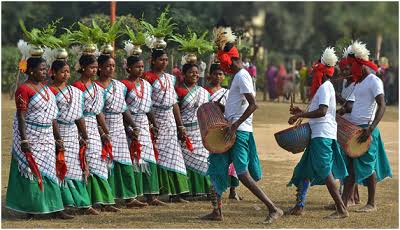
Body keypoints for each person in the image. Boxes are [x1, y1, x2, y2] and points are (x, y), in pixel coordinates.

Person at [203, 34, 283, 223]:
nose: (224, 70)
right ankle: (217, 212)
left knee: (242, 173)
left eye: (225, 66)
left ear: (231, 61)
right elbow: (239, 104)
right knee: (217, 167)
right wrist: (225, 111)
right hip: (232, 130)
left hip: (239, 132)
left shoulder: (242, 75)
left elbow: (253, 104)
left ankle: (273, 208)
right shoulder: (239, 76)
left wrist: (235, 125)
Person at [6, 56, 73, 219]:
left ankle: (56, 209)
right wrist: (24, 140)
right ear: (31, 71)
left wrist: (58, 139)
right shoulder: (23, 89)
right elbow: (21, 116)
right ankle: (33, 209)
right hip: (31, 135)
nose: (45, 72)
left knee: (50, 170)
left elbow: (52, 117)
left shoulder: (46, 89)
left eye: (46, 69)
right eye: (42, 69)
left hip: (47, 136)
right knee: (31, 171)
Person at [287, 47, 349, 219]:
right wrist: (300, 111)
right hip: (319, 134)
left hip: (322, 134)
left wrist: (300, 115)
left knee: (324, 170)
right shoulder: (325, 87)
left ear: (321, 71)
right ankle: (299, 206)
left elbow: (322, 112)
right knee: (304, 170)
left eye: (315, 70)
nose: (313, 73)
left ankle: (342, 209)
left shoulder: (324, 88)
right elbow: (320, 111)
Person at [341, 41, 392, 212]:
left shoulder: (373, 81)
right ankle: (343, 204)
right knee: (350, 168)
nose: (349, 68)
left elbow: (382, 105)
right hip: (353, 129)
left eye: (351, 65)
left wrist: (370, 129)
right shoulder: (358, 82)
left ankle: (371, 203)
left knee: (368, 167)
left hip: (366, 130)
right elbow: (357, 105)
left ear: (359, 64)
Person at [94, 54, 148, 208]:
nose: (111, 69)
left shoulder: (119, 86)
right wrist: (103, 132)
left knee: (125, 162)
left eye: (113, 66)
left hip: (119, 127)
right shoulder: (96, 87)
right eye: (107, 66)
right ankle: (107, 200)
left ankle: (130, 198)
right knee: (107, 164)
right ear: (100, 68)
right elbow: (97, 112)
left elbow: (124, 109)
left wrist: (133, 126)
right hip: (103, 127)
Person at [48, 58, 99, 215]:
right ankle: (64, 203)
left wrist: (84, 134)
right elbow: (52, 117)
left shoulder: (74, 91)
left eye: (68, 71)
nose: (65, 74)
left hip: (72, 132)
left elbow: (79, 116)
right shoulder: (49, 91)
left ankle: (83, 203)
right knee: (61, 167)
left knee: (77, 167)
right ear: (53, 73)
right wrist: (58, 138)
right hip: (57, 131)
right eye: (62, 72)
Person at [72, 54, 119, 212]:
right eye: (91, 67)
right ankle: (88, 203)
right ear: (83, 68)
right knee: (87, 162)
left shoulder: (97, 87)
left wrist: (105, 131)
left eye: (95, 67)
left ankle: (105, 200)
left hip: (93, 126)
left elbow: (99, 112)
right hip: (80, 126)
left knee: (99, 162)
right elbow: (77, 112)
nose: (94, 70)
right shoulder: (77, 86)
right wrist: (83, 134)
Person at [143, 49, 190, 203]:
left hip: (169, 119)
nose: (164, 62)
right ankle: (160, 192)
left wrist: (180, 125)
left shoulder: (170, 78)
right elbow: (145, 102)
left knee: (174, 155)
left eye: (165, 59)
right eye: (161, 59)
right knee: (158, 155)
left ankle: (176, 193)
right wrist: (152, 123)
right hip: (154, 118)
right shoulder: (147, 78)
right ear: (153, 61)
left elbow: (174, 102)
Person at [121, 54, 167, 206]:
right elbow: (122, 108)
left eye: (142, 67)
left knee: (149, 158)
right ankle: (134, 195)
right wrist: (129, 127)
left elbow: (149, 108)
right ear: (129, 68)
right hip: (130, 123)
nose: (140, 70)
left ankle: (151, 195)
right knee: (135, 158)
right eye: (137, 67)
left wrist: (153, 124)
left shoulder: (146, 85)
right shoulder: (124, 85)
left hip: (144, 124)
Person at [205, 63, 243, 201]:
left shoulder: (227, 93)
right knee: (215, 161)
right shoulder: (204, 92)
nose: (218, 76)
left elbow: (231, 111)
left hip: (225, 128)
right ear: (209, 76)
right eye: (215, 73)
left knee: (231, 162)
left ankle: (233, 190)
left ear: (224, 76)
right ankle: (214, 191)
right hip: (209, 130)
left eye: (220, 74)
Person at [175, 63, 211, 199]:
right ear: (184, 74)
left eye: (197, 73)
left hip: (199, 130)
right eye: (191, 72)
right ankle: (189, 191)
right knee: (187, 159)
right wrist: (180, 128)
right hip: (185, 130)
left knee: (203, 158)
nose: (195, 75)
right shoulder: (178, 91)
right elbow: (176, 110)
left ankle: (207, 190)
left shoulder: (203, 92)